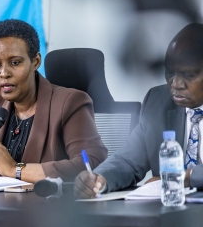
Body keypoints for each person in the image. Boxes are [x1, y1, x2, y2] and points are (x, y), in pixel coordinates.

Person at [0, 19, 107, 183]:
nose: (4, 73)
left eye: (15, 62)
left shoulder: (69, 102)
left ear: (35, 61)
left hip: (49, 209)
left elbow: (90, 164)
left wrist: (14, 169)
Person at [74, 23, 203, 198]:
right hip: (169, 214)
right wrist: (99, 178)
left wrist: (183, 178)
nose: (175, 84)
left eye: (188, 75)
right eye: (170, 72)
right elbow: (128, 160)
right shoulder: (158, 101)